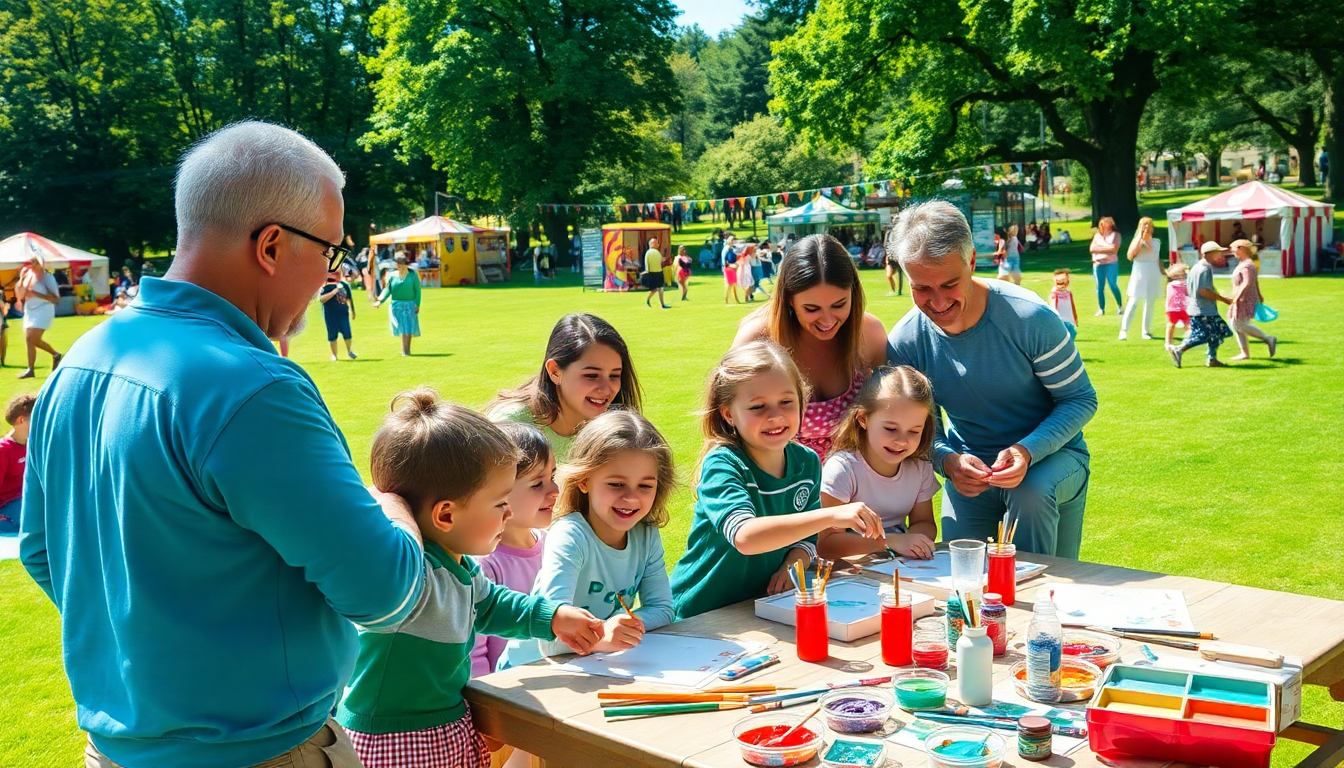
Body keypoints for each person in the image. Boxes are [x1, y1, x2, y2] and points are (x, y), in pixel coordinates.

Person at [24, 121, 423, 768]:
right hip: (260, 751)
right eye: (330, 250)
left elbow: (44, 550)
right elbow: (386, 593)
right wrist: (395, 506)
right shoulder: (253, 385)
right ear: (271, 245)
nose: (331, 274)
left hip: (114, 750)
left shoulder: (82, 360)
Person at [337, 390, 603, 768]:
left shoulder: (459, 564)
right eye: (500, 503)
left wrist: (552, 617)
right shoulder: (411, 577)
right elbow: (376, 521)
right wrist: (390, 503)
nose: (508, 513)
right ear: (446, 515)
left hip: (441, 728)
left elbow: (490, 604)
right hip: (396, 740)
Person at [887, 200, 1096, 558]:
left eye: (950, 284)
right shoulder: (906, 341)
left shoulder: (1029, 317)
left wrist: (1026, 451)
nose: (938, 302)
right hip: (969, 471)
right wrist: (947, 461)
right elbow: (918, 428)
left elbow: (1079, 399)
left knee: (1030, 499)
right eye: (921, 288)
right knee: (960, 573)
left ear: (971, 262)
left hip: (1053, 459)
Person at [668, 341, 884, 620]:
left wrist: (793, 563)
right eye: (758, 406)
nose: (775, 416)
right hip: (699, 614)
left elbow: (806, 540)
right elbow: (745, 537)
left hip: (759, 608)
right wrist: (830, 515)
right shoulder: (723, 464)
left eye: (786, 402)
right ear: (729, 414)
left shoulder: (806, 461)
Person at [499, 410, 676, 669]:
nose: (631, 498)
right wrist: (604, 634)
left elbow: (662, 609)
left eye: (645, 486)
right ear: (584, 481)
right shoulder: (569, 536)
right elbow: (549, 638)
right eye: (616, 484)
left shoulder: (646, 534)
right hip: (528, 671)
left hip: (590, 665)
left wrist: (625, 628)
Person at [731, 233, 887, 458]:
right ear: (789, 300)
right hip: (778, 480)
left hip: (855, 479)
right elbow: (726, 428)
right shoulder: (756, 338)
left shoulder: (869, 333)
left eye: (839, 305)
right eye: (812, 309)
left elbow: (892, 414)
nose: (827, 320)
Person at [817, 366, 939, 561]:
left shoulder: (920, 468)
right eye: (891, 429)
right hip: (850, 570)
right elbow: (827, 543)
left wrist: (912, 541)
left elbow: (925, 523)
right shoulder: (843, 469)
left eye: (914, 432)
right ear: (863, 419)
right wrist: (888, 542)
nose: (901, 441)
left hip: (897, 565)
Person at [469, 422, 558, 678]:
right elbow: (473, 657)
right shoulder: (483, 565)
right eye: (537, 484)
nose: (555, 490)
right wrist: (489, 697)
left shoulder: (556, 545)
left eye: (552, 477)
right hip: (508, 695)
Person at [488, 313, 642, 461]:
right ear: (555, 372)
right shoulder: (510, 425)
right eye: (591, 375)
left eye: (614, 375)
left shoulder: (613, 428)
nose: (606, 389)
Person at [1169, 241, 1234, 369]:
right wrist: (1223, 299)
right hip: (1203, 310)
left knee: (1218, 331)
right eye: (1218, 252)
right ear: (1210, 253)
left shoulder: (1196, 267)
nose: (1220, 254)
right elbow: (1203, 291)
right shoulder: (1205, 269)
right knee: (1203, 335)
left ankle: (1212, 358)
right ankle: (1179, 350)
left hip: (1198, 308)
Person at [1226, 239, 1277, 360]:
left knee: (1239, 324)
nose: (1232, 251)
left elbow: (1247, 282)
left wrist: (1237, 298)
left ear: (1241, 248)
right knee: (1236, 323)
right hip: (1242, 297)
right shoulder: (1245, 263)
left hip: (1244, 298)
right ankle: (1245, 353)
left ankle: (1267, 338)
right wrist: (1259, 295)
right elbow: (1255, 281)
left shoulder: (1247, 265)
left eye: (1233, 248)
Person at [16, 256, 63, 379]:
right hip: (30, 310)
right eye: (31, 262)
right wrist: (21, 279)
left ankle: (55, 354)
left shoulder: (48, 278)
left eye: (34, 262)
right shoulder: (28, 276)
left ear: (41, 264)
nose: (31, 264)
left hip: (44, 309)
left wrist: (36, 294)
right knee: (29, 339)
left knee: (33, 338)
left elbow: (56, 299)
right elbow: (21, 295)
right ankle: (31, 369)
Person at [1120, 216, 1163, 341]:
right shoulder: (1136, 241)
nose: (1147, 229)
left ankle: (1146, 330)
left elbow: (1155, 257)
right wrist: (1140, 239)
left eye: (1149, 226)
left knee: (1149, 303)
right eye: (1144, 226)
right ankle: (1124, 330)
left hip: (1152, 272)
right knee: (1133, 301)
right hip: (1140, 272)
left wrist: (1164, 271)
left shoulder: (1156, 242)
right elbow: (1130, 256)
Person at [374, 254, 422, 356]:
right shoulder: (392, 276)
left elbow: (417, 291)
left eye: (401, 263)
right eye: (397, 263)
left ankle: (407, 350)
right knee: (402, 328)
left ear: (406, 264)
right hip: (396, 306)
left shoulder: (413, 275)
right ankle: (405, 350)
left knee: (408, 328)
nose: (398, 265)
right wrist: (380, 301)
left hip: (410, 305)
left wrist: (417, 304)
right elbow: (388, 290)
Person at [0, 393, 34, 534]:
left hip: (25, 499)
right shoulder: (4, 450)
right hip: (8, 506)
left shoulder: (33, 445)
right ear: (21, 419)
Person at [319, 272, 358, 361]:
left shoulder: (344, 285)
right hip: (330, 314)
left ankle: (350, 351)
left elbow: (349, 299)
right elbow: (322, 299)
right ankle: (334, 355)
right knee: (332, 334)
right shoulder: (325, 286)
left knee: (347, 332)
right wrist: (333, 292)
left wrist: (352, 310)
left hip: (343, 313)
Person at [1089, 217, 1123, 315]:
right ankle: (1101, 308)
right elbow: (1092, 249)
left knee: (1113, 284)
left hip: (1111, 263)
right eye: (1103, 224)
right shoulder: (1097, 236)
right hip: (1098, 263)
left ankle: (1120, 306)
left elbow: (1114, 250)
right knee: (1099, 287)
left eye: (1107, 223)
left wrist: (1100, 248)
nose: (1105, 226)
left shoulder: (1116, 235)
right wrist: (1108, 247)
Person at [1163, 263, 1189, 351]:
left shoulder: (1173, 285)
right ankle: (1168, 342)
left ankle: (1170, 342)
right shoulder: (1173, 285)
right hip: (1175, 308)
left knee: (1184, 325)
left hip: (1179, 308)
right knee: (1173, 325)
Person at [1049, 269, 1079, 340]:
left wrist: (1075, 318)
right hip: (1061, 320)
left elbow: (1072, 306)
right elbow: (1054, 307)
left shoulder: (1068, 293)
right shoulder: (1055, 294)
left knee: (1072, 334)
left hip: (1070, 320)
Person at [641, 237, 669, 309]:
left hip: (659, 272)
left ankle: (662, 304)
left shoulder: (656, 252)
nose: (657, 244)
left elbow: (660, 262)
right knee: (656, 289)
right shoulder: (649, 253)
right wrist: (646, 272)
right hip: (653, 273)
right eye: (655, 243)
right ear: (651, 244)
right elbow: (647, 265)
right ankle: (649, 300)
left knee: (660, 288)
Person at [722, 238, 741, 304]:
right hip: (729, 268)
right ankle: (726, 299)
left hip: (733, 267)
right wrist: (731, 265)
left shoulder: (731, 249)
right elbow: (725, 260)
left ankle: (735, 298)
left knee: (734, 284)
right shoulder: (727, 249)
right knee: (730, 284)